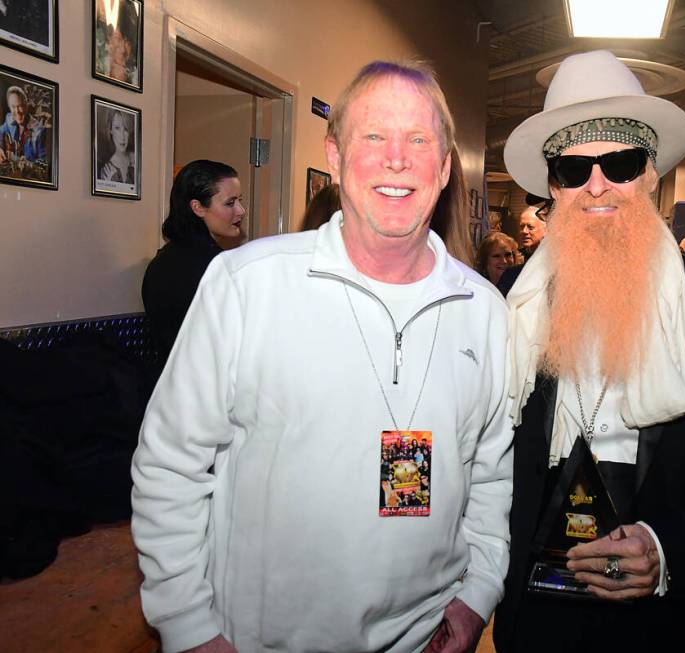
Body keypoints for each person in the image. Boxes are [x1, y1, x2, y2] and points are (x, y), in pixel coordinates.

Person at [131, 60, 512, 653]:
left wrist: (479, 592)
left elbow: (491, 473)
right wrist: (187, 626)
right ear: (334, 157)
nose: (396, 158)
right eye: (374, 136)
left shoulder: (485, 311)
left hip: (427, 635)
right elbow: (169, 465)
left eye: (418, 140)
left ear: (443, 168)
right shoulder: (245, 284)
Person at [491, 50, 685, 653]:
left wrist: (670, 550)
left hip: (669, 622)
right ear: (552, 187)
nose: (597, 186)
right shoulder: (509, 306)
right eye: (573, 170)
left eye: (620, 162)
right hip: (539, 619)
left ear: (651, 173)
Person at [141, 160, 245, 362]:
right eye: (230, 203)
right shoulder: (217, 266)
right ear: (197, 207)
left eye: (240, 200)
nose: (241, 210)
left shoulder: (160, 261)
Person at [496, 194, 549, 297]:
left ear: (546, 229)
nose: (524, 231)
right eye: (521, 226)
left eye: (530, 227)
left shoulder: (553, 262)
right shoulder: (513, 270)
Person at [0, 85, 45, 163]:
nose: (17, 111)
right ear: (9, 107)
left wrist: (28, 164)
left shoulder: (39, 130)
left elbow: (45, 163)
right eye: (13, 107)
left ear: (26, 105)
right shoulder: (9, 118)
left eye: (19, 106)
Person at [98, 108, 135, 184]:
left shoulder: (135, 159)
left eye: (125, 129)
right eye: (117, 128)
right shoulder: (106, 170)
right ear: (111, 130)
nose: (122, 136)